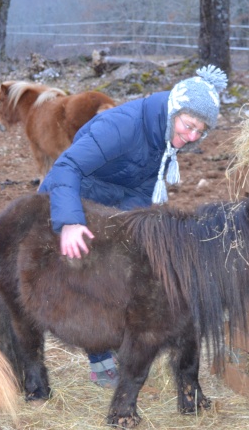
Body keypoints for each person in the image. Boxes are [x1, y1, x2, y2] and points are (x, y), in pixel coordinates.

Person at [38, 65, 228, 387]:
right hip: (68, 202)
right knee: (92, 280)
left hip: (104, 208)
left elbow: (141, 191)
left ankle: (115, 347)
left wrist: (137, 231)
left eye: (201, 131)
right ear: (175, 109)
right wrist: (70, 221)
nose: (192, 136)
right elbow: (66, 167)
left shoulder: (164, 141)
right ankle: (100, 360)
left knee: (129, 268)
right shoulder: (124, 126)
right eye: (189, 125)